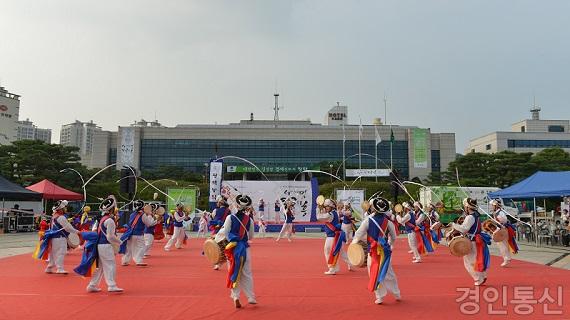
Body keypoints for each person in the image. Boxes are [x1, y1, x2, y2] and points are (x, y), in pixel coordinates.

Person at [353, 197, 401, 305]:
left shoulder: (367, 220)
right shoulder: (388, 222)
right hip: (385, 250)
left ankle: (379, 296)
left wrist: (355, 244)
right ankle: (397, 293)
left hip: (373, 250)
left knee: (374, 272)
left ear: (373, 208)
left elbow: (358, 234)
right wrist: (390, 245)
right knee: (389, 273)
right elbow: (393, 237)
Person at [215, 194, 256, 308]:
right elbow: (251, 236)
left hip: (232, 248)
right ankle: (251, 297)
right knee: (246, 273)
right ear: (247, 207)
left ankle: (236, 296)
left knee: (234, 270)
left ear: (236, 205)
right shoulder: (250, 220)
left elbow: (226, 233)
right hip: (245, 248)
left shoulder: (230, 218)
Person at [86, 195, 123, 292]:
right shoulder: (110, 220)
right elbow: (110, 237)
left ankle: (92, 285)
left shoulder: (102, 219)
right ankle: (111, 285)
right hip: (106, 245)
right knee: (110, 265)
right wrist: (119, 242)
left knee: (101, 267)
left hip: (100, 245)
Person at [452, 198, 491, 286]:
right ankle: (483, 275)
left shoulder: (470, 217)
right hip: (476, 240)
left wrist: (454, 225)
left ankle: (478, 278)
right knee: (477, 259)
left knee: (469, 262)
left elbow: (464, 229)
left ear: (467, 207)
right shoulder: (475, 216)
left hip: (472, 242)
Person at [41, 200, 80, 274]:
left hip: (53, 237)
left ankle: (49, 267)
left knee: (53, 253)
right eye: (65, 207)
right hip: (60, 237)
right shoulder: (61, 217)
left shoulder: (54, 216)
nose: (66, 209)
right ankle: (60, 268)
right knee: (61, 252)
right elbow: (68, 228)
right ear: (61, 209)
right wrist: (77, 232)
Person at [318, 198, 352, 275]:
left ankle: (332, 268)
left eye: (327, 206)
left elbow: (319, 217)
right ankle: (353, 262)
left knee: (328, 252)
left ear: (331, 207)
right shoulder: (335, 213)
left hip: (331, 237)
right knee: (342, 253)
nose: (326, 208)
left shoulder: (330, 215)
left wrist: (318, 208)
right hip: (336, 237)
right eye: (325, 206)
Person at [490, 199, 519, 267]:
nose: (491, 207)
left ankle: (507, 259)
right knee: (501, 245)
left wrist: (497, 219)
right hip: (499, 230)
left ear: (496, 206)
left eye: (492, 205)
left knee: (504, 245)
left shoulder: (501, 212)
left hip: (503, 230)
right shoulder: (496, 212)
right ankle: (506, 258)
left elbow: (504, 220)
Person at [209, 196, 231, 270]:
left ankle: (217, 264)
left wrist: (210, 215)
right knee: (227, 248)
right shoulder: (229, 211)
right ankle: (229, 265)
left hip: (218, 231)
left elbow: (213, 218)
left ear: (219, 203)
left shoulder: (216, 210)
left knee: (217, 248)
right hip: (226, 230)